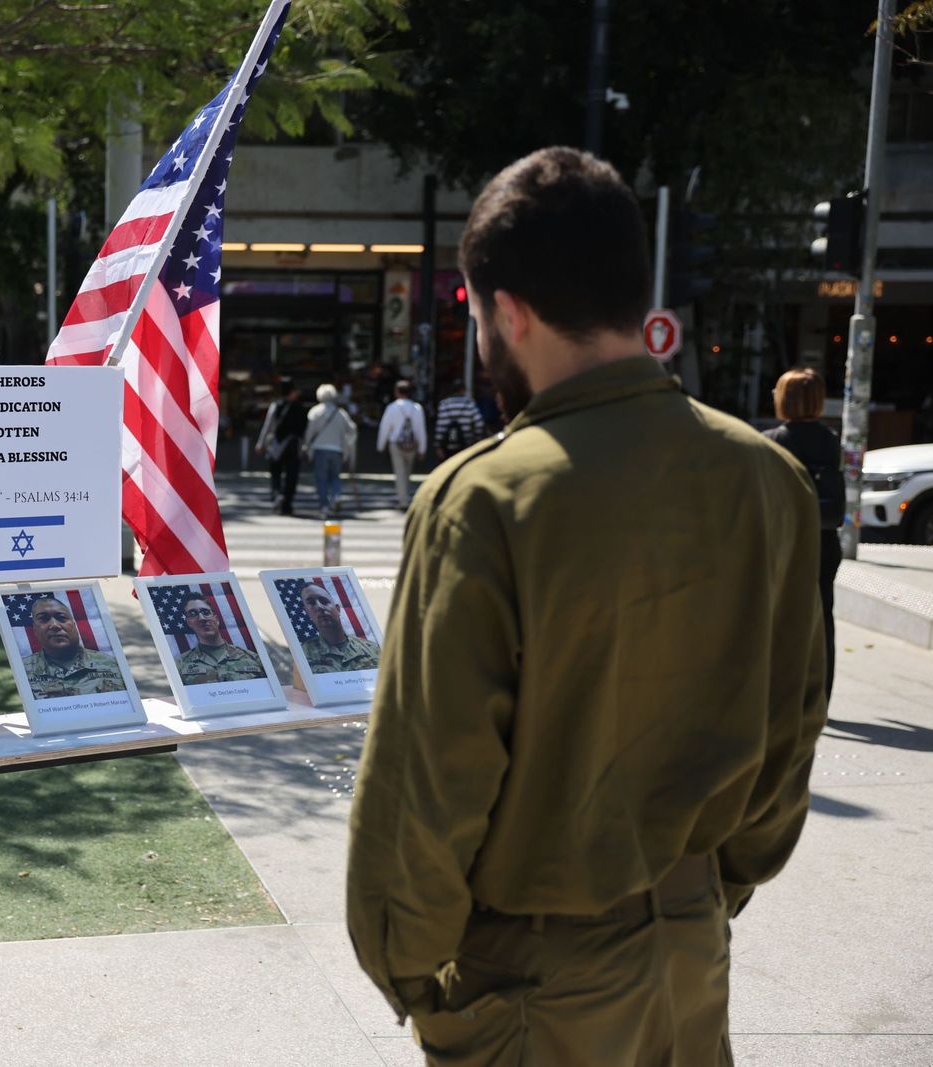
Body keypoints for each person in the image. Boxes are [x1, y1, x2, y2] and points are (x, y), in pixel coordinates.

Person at [347, 147, 826, 1066]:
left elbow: (427, 784)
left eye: (480, 316)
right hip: (690, 952)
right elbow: (792, 728)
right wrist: (704, 890)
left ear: (509, 313)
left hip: (530, 979)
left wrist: (417, 980)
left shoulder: (483, 498)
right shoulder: (768, 479)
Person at [764, 368, 844, 697]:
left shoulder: (772, 441)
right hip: (824, 541)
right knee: (822, 614)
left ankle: (784, 688)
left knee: (780, 616)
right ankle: (821, 691)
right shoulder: (831, 441)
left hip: (786, 540)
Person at [21, 595, 126, 700]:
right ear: (34, 630)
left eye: (61, 618)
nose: (54, 625)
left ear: (74, 625)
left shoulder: (114, 665)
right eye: (44, 619)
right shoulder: (20, 673)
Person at [172, 594, 266, 685]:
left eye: (206, 612)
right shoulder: (180, 665)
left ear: (216, 620)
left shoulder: (253, 659)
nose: (202, 618)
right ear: (189, 623)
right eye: (193, 614)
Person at [296, 582, 379, 674]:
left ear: (338, 609)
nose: (319, 606)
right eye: (311, 603)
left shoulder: (372, 649)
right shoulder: (302, 655)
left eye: (324, 601)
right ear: (307, 613)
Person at [302, 383, 357, 519]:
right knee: (335, 477)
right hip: (337, 450)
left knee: (321, 479)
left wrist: (306, 446)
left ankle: (324, 506)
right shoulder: (340, 413)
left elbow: (309, 432)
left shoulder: (315, 412)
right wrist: (348, 445)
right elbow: (352, 430)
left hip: (319, 449)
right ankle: (336, 496)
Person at [254, 379, 307, 515]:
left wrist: (261, 444)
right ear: (292, 392)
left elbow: (268, 426)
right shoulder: (300, 408)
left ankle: (277, 494)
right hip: (294, 446)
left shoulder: (276, 406)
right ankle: (286, 503)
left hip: (277, 445)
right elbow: (305, 430)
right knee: (291, 476)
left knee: (275, 473)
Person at [375, 379, 427, 511]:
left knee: (399, 472)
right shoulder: (417, 408)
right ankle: (405, 497)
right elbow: (421, 429)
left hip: (396, 443)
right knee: (407, 472)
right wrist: (422, 448)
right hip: (412, 444)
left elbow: (385, 428)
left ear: (396, 392)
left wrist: (381, 445)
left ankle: (403, 500)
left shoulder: (392, 408)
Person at [433, 388, 486, 460]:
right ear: (463, 390)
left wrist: (438, 446)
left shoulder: (444, 404)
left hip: (447, 446)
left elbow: (440, 427)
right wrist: (477, 440)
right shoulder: (469, 403)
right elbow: (479, 423)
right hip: (466, 445)